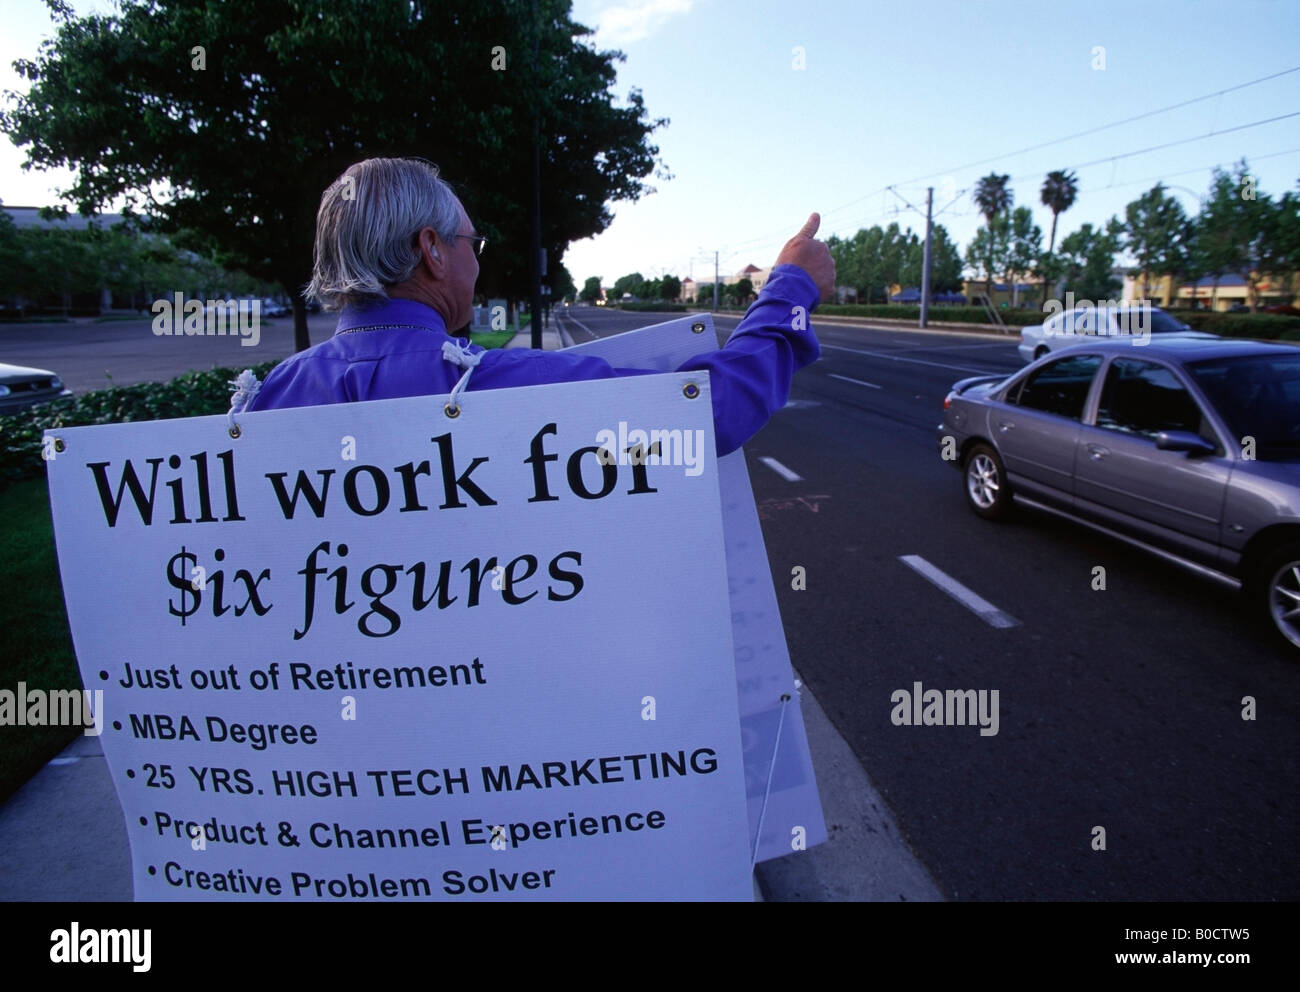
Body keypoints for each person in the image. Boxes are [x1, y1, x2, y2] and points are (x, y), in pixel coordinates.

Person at [242, 157, 834, 457]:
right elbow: (707, 416)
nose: (477, 263)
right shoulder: (504, 388)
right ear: (432, 251)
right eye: (470, 244)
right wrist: (789, 289)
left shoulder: (267, 399)